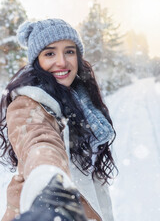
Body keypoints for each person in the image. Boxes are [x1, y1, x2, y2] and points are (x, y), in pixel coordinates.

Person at [0, 19, 118, 221]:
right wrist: (50, 188)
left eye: (69, 51)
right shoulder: (28, 103)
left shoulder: (82, 99)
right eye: (50, 53)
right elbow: (40, 144)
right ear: (37, 60)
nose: (62, 62)